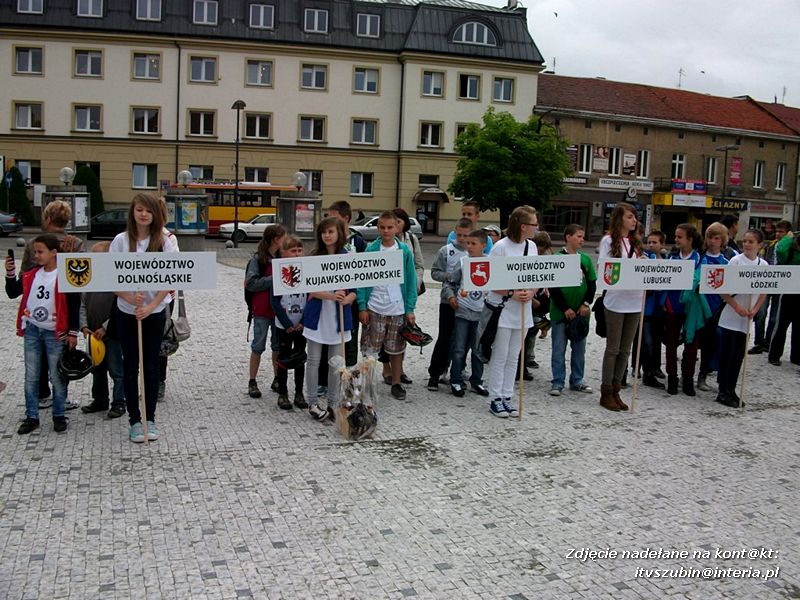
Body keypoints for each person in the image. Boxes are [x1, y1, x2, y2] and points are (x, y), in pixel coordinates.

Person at [110, 193, 179, 443]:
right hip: (127, 311)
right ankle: (134, 420)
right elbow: (111, 278)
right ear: (133, 212)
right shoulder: (120, 241)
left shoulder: (164, 242)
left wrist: (150, 306)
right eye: (139, 210)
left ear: (155, 214)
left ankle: (150, 417)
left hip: (155, 311)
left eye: (148, 211)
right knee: (131, 366)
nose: (143, 214)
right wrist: (130, 298)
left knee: (150, 366)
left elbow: (172, 277)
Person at [6, 199, 85, 410]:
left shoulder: (36, 243)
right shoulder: (75, 243)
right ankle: (62, 397)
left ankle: (42, 395)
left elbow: (25, 278)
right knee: (61, 356)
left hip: (38, 307)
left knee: (38, 356)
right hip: (65, 308)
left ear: (48, 218)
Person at [8, 234, 79, 434]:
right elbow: (12, 292)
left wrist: (73, 331)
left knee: (57, 375)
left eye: (40, 252)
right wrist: (10, 273)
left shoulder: (64, 275)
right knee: (31, 375)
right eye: (34, 252)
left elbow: (74, 304)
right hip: (33, 329)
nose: (36, 256)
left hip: (55, 332)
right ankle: (32, 415)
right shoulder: (31, 274)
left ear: (54, 253)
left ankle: (58, 414)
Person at [357, 211, 418, 400]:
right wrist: (362, 306)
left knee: (396, 348)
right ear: (378, 228)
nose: (386, 230)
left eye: (390, 227)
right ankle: (367, 382)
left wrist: (410, 308)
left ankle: (397, 382)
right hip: (375, 306)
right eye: (382, 227)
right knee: (370, 348)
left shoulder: (404, 252)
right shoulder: (371, 250)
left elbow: (410, 280)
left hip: (397, 308)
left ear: (396, 228)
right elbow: (363, 279)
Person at [303, 217, 357, 421]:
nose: (327, 235)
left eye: (331, 231)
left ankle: (333, 404)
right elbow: (309, 288)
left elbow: (354, 290)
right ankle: (313, 402)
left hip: (339, 318)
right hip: (318, 317)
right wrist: (331, 295)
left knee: (336, 363)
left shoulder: (348, 257)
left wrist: (347, 299)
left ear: (339, 233)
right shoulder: (314, 256)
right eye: (324, 232)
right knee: (313, 361)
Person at [486, 205, 538, 418]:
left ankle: (508, 395)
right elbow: (490, 279)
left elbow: (536, 275)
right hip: (504, 308)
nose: (537, 227)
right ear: (523, 226)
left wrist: (531, 292)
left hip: (523, 309)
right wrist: (511, 292)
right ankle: (495, 397)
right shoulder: (501, 247)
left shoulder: (532, 247)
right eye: (534, 224)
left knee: (515, 355)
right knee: (500, 354)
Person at [598, 202, 643, 411]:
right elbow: (606, 270)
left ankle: (617, 387)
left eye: (634, 217)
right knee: (613, 348)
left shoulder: (636, 241)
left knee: (625, 350)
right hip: (617, 300)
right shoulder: (609, 241)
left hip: (635, 300)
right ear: (619, 219)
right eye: (629, 217)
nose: (633, 220)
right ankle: (606, 390)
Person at [716, 230, 768, 408]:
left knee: (738, 356)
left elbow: (764, 290)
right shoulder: (736, 261)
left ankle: (731, 389)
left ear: (759, 245)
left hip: (746, 318)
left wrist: (755, 309)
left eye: (751, 242)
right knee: (727, 355)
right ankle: (723, 390)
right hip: (731, 315)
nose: (746, 244)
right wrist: (736, 306)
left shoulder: (764, 265)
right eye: (745, 241)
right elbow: (723, 289)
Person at [79, 241, 126, 419]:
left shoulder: (117, 280)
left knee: (116, 370)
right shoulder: (89, 279)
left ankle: (119, 402)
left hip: (112, 334)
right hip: (92, 333)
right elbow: (82, 303)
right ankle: (100, 400)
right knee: (96, 368)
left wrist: (105, 327)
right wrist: (83, 325)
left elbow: (119, 306)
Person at [548, 224, 596, 396]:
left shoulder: (586, 260)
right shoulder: (557, 258)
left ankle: (577, 380)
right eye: (578, 236)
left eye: (583, 237)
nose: (582, 240)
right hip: (561, 312)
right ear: (568, 237)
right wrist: (565, 308)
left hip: (580, 313)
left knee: (579, 349)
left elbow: (592, 284)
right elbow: (553, 287)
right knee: (558, 348)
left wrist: (586, 303)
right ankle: (557, 381)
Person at [427, 218, 471, 392]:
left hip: (468, 304)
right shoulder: (446, 251)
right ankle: (435, 374)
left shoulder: (474, 252)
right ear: (454, 232)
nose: (462, 238)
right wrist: (450, 276)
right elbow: (435, 273)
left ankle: (457, 372)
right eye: (459, 234)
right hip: (448, 301)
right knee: (445, 338)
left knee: (463, 341)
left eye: (465, 235)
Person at [444, 229, 490, 397]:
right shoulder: (463, 262)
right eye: (468, 243)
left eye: (473, 244)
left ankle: (476, 381)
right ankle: (456, 380)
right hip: (463, 311)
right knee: (459, 348)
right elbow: (449, 283)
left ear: (483, 246)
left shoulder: (491, 263)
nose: (469, 246)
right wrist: (451, 297)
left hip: (481, 314)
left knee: (478, 350)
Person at [245, 224, 287, 399]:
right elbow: (252, 283)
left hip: (278, 310)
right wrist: (274, 278)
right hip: (262, 309)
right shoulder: (257, 260)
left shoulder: (282, 257)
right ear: (276, 239)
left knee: (277, 346)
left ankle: (277, 378)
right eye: (283, 237)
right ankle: (252, 381)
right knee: (258, 346)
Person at [662, 223, 703, 397]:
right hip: (673, 305)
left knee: (691, 345)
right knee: (671, 343)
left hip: (692, 308)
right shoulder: (672, 258)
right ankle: (672, 377)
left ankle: (688, 378)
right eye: (676, 236)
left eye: (680, 237)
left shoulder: (700, 259)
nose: (676, 240)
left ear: (690, 239)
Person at [270, 235, 308, 411]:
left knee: (300, 358)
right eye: (293, 251)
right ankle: (283, 393)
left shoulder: (306, 271)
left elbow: (311, 298)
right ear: (283, 253)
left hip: (301, 323)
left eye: (300, 250)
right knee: (284, 358)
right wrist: (286, 324)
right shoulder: (278, 272)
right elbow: (275, 301)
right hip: (284, 324)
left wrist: (304, 321)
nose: (297, 254)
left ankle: (299, 392)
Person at [695, 222, 729, 392]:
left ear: (722, 240)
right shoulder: (700, 257)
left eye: (717, 238)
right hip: (698, 306)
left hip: (717, 308)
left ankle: (704, 373)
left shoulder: (727, 262)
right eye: (710, 237)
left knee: (713, 341)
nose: (713, 241)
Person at [750, 219, 791, 354]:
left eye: (781, 232)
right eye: (777, 231)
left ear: (788, 233)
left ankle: (768, 342)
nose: (778, 234)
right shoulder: (770, 246)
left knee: (774, 316)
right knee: (761, 313)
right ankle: (759, 342)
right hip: (766, 281)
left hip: (780, 284)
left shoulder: (789, 246)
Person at [767, 226, 800, 366]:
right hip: (789, 291)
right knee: (781, 325)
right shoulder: (790, 251)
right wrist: (788, 237)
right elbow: (779, 250)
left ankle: (796, 356)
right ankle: (774, 355)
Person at [640, 230, 667, 387]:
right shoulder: (645, 259)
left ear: (662, 244)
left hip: (660, 308)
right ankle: (647, 372)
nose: (651, 245)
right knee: (647, 342)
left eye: (654, 242)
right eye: (649, 242)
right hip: (646, 308)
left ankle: (655, 367)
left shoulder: (666, 260)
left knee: (656, 341)